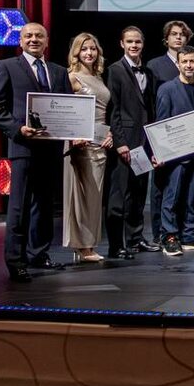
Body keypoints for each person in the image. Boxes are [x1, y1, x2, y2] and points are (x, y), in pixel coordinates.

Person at [0, 22, 73, 282]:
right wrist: (18, 128)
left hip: (51, 148)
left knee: (44, 206)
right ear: (20, 40)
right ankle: (16, 261)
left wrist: (73, 131)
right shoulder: (6, 67)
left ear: (47, 41)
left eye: (39, 36)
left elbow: (68, 107)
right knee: (19, 206)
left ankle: (39, 253)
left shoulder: (59, 71)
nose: (34, 39)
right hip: (23, 147)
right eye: (28, 36)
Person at [154, 46, 194, 256]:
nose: (189, 65)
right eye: (185, 62)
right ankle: (169, 236)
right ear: (178, 64)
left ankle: (189, 234)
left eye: (192, 61)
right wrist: (161, 152)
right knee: (172, 198)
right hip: (175, 155)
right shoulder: (167, 89)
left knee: (191, 197)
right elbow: (161, 122)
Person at [104, 26, 158, 258]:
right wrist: (120, 142)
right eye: (130, 41)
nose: (134, 45)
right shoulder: (114, 70)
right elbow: (113, 110)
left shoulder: (149, 73)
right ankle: (116, 245)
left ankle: (135, 239)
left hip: (143, 142)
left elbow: (150, 110)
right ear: (122, 44)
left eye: (138, 42)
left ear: (143, 44)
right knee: (119, 196)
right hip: (125, 143)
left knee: (138, 193)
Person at [63, 32, 112, 263]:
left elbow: (103, 112)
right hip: (80, 143)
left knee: (94, 197)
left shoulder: (98, 77)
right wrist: (73, 136)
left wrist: (109, 133)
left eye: (92, 48)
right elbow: (64, 110)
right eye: (84, 49)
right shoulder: (72, 77)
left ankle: (89, 244)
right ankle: (82, 246)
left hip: (100, 142)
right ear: (76, 52)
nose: (89, 53)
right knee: (81, 196)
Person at [146, 20, 194, 247]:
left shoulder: (191, 63)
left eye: (182, 34)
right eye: (174, 34)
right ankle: (160, 233)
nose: (178, 38)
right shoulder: (155, 65)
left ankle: (183, 231)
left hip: (188, 137)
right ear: (166, 38)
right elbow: (150, 102)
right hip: (163, 132)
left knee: (184, 188)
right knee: (161, 186)